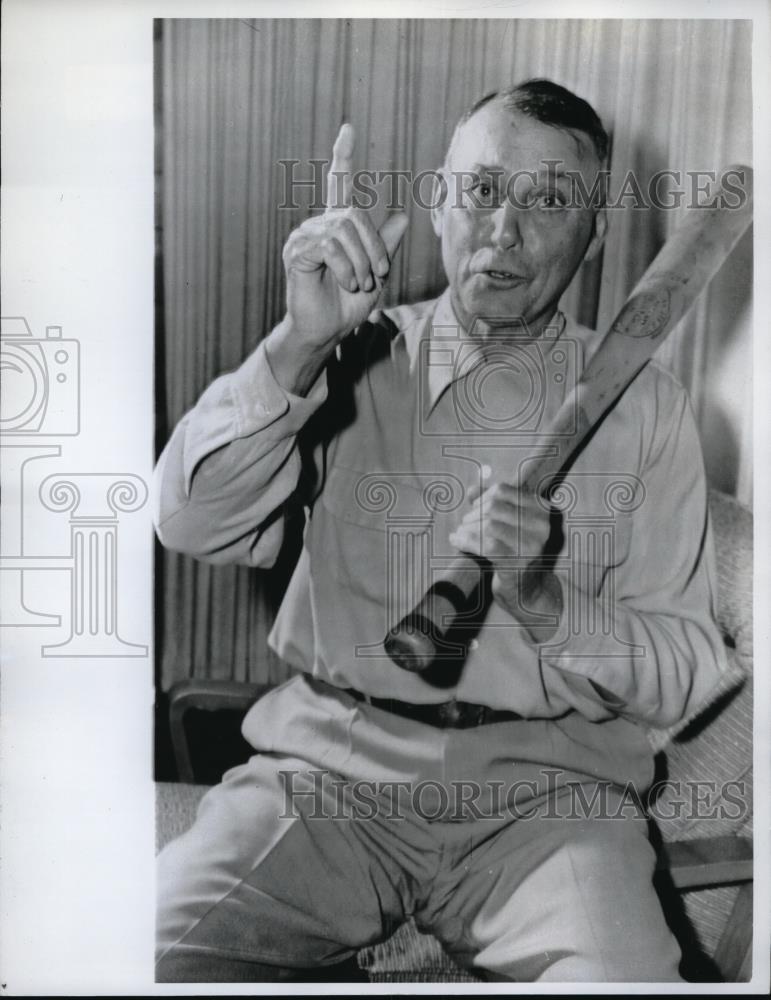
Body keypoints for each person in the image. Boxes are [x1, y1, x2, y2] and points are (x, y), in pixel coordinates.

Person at [153, 79, 731, 982]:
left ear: (593, 236)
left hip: (551, 803)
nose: (504, 229)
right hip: (330, 777)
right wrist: (298, 344)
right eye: (481, 190)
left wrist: (545, 602)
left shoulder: (649, 409)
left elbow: (683, 672)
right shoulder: (348, 355)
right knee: (144, 956)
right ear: (436, 201)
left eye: (550, 201)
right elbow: (188, 520)